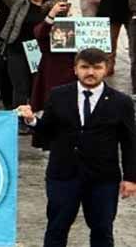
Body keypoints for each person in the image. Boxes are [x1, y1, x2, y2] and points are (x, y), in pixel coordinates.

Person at [17, 49, 136, 247]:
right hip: (63, 175)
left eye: (97, 67)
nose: (90, 72)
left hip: (103, 179)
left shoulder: (121, 102)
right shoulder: (58, 95)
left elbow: (130, 142)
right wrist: (32, 120)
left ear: (106, 69)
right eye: (85, 67)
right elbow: (48, 130)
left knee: (102, 231)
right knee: (56, 229)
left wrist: (131, 177)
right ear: (75, 69)